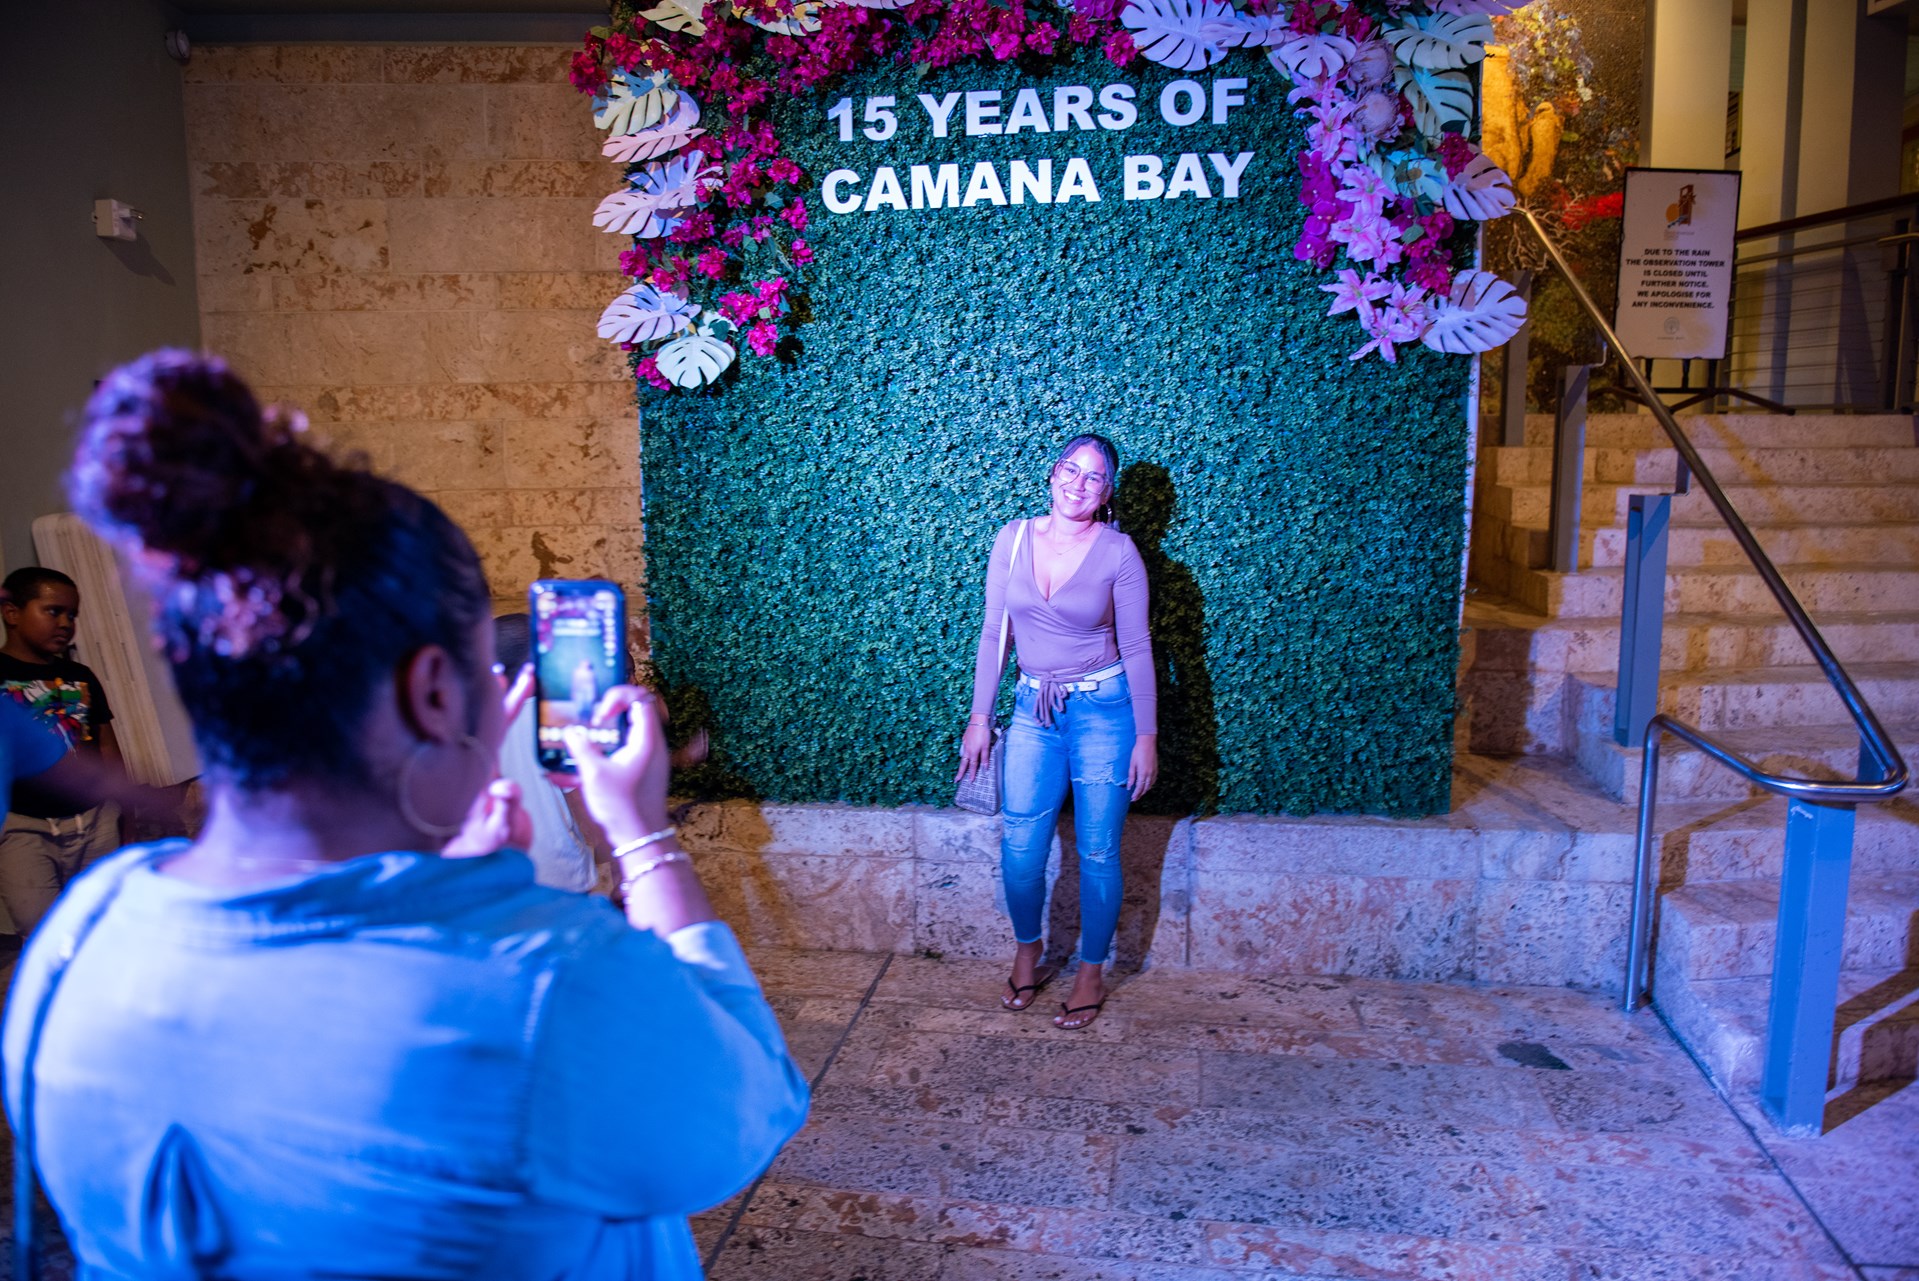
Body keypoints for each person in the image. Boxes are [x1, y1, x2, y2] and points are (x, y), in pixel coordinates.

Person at [2, 350, 808, 1278]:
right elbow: (747, 1106)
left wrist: (449, 866)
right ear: (433, 692)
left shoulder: (74, 945)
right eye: (481, 675)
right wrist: (643, 836)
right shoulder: (538, 978)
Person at [955, 433, 1157, 1031]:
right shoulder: (1012, 538)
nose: (1078, 483)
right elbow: (995, 633)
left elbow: (1140, 643)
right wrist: (978, 719)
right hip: (1030, 711)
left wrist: (1146, 734)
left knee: (1097, 852)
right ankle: (1029, 952)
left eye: (1094, 477)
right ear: (1052, 473)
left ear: (1107, 492)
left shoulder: (1119, 551)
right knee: (1020, 850)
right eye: (1071, 470)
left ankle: (1091, 972)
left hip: (1105, 710)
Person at [0, 567, 124, 935]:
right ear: (12, 613)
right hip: (22, 829)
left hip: (95, 822)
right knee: (42, 933)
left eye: (72, 615)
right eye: (53, 611)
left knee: (101, 926)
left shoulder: (81, 676)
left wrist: (122, 808)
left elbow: (104, 742)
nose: (66, 623)